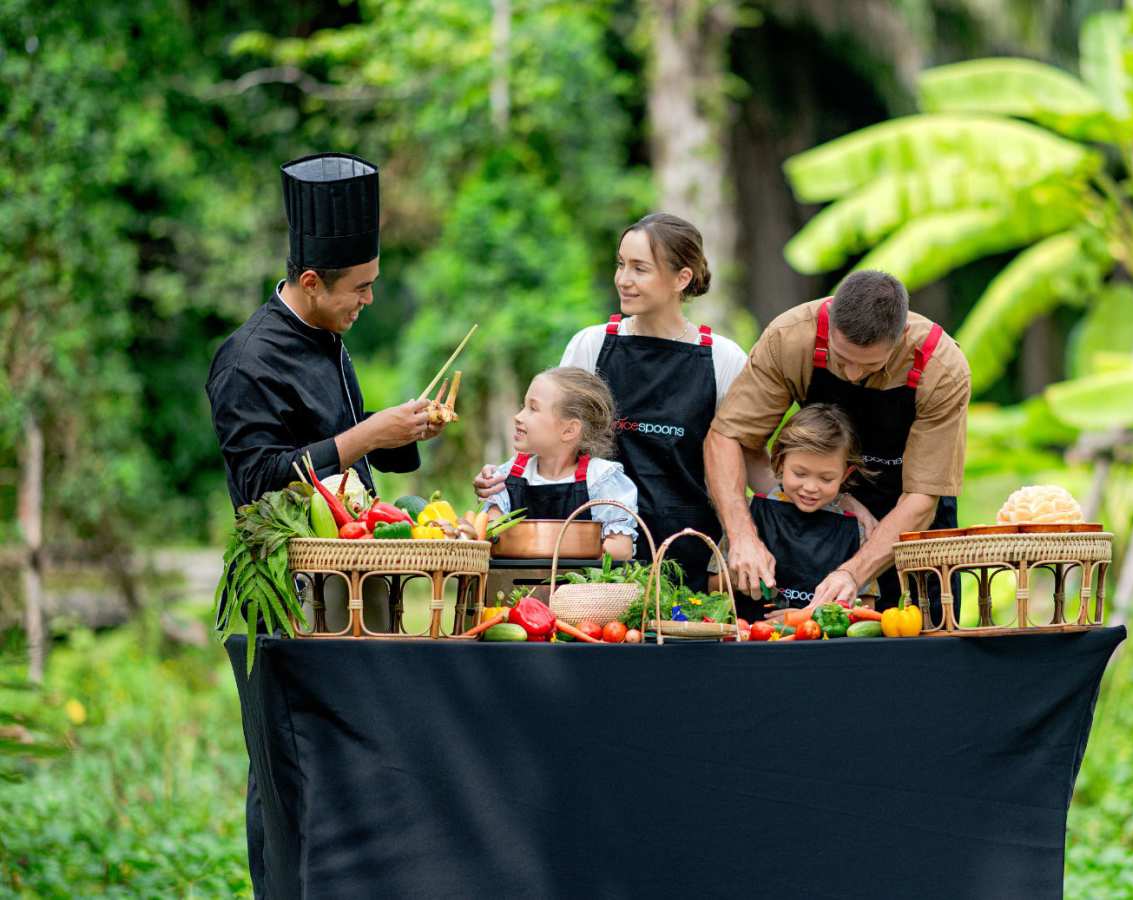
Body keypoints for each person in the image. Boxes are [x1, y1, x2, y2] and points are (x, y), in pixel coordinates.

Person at [206, 152, 442, 898]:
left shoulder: (327, 335)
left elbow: (339, 448)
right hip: (288, 600)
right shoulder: (246, 360)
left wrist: (402, 432)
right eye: (359, 287)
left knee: (360, 774)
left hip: (353, 593)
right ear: (311, 281)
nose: (368, 299)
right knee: (294, 780)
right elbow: (259, 484)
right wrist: (368, 434)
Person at [475, 213, 763, 589]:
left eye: (640, 268)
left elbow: (746, 458)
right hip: (594, 562)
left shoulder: (723, 358)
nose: (623, 279)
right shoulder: (591, 345)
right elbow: (552, 438)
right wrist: (501, 481)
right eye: (621, 264)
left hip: (689, 554)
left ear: (682, 278)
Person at [704, 269, 970, 619]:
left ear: (902, 336)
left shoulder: (941, 368)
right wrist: (742, 536)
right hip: (821, 508)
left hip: (912, 517)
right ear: (828, 326)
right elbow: (728, 436)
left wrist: (852, 574)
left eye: (870, 364)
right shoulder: (790, 338)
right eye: (841, 359)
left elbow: (922, 498)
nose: (853, 375)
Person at [718, 404, 879, 621]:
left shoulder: (854, 530)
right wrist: (737, 576)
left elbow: (867, 609)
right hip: (749, 637)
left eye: (826, 479)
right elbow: (714, 586)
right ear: (781, 461)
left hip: (821, 642)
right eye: (800, 473)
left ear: (845, 474)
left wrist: (806, 618)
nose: (810, 487)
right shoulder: (748, 516)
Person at [481, 367, 639, 560]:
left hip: (581, 581)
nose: (518, 416)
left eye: (533, 408)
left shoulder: (601, 480)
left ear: (569, 430)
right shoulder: (509, 475)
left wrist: (546, 547)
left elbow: (621, 549)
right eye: (523, 406)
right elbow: (491, 534)